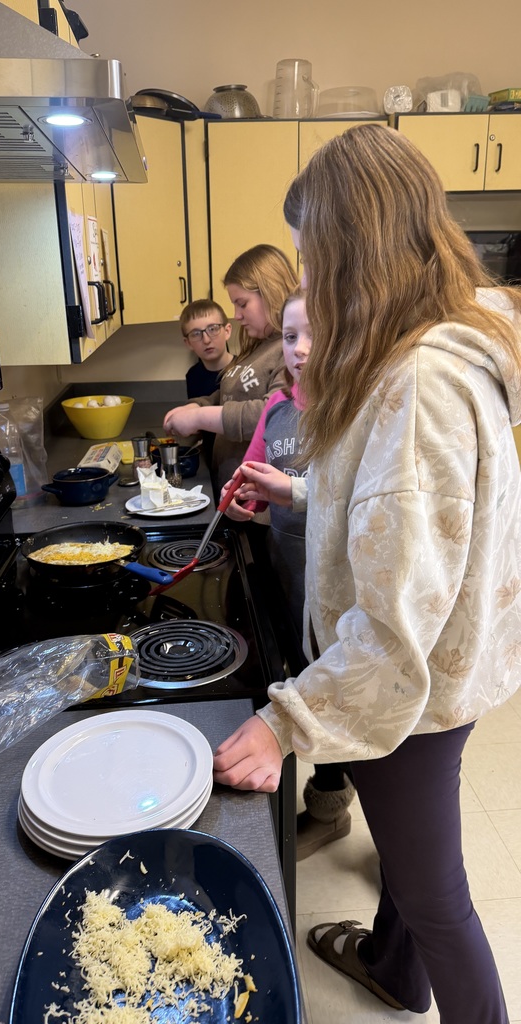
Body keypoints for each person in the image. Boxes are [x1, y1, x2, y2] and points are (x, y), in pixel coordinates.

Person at [213, 123, 521, 1022]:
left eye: (314, 251)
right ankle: (395, 969)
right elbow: (417, 524)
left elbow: (393, 627)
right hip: (441, 678)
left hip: (412, 690)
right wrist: (302, 495)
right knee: (413, 855)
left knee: (438, 900)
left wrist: (284, 722)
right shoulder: (428, 347)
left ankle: (438, 981)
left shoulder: (419, 379)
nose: (308, 275)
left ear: (355, 245)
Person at [224, 289, 355, 859]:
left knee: (339, 698)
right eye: (289, 335)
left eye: (313, 333)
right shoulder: (277, 412)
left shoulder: (355, 409)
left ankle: (332, 808)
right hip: (289, 582)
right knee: (303, 681)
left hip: (341, 595)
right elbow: (254, 480)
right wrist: (241, 504)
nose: (300, 349)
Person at [163, 244, 299, 495]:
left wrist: (199, 418)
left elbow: (273, 415)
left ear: (270, 292)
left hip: (259, 505)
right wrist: (199, 405)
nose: (236, 315)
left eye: (242, 303)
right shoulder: (257, 346)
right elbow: (230, 395)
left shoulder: (288, 350)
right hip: (232, 492)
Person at [180, 298, 233, 400]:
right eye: (196, 334)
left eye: (212, 329)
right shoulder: (193, 376)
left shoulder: (246, 370)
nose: (206, 340)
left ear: (227, 331)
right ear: (188, 343)